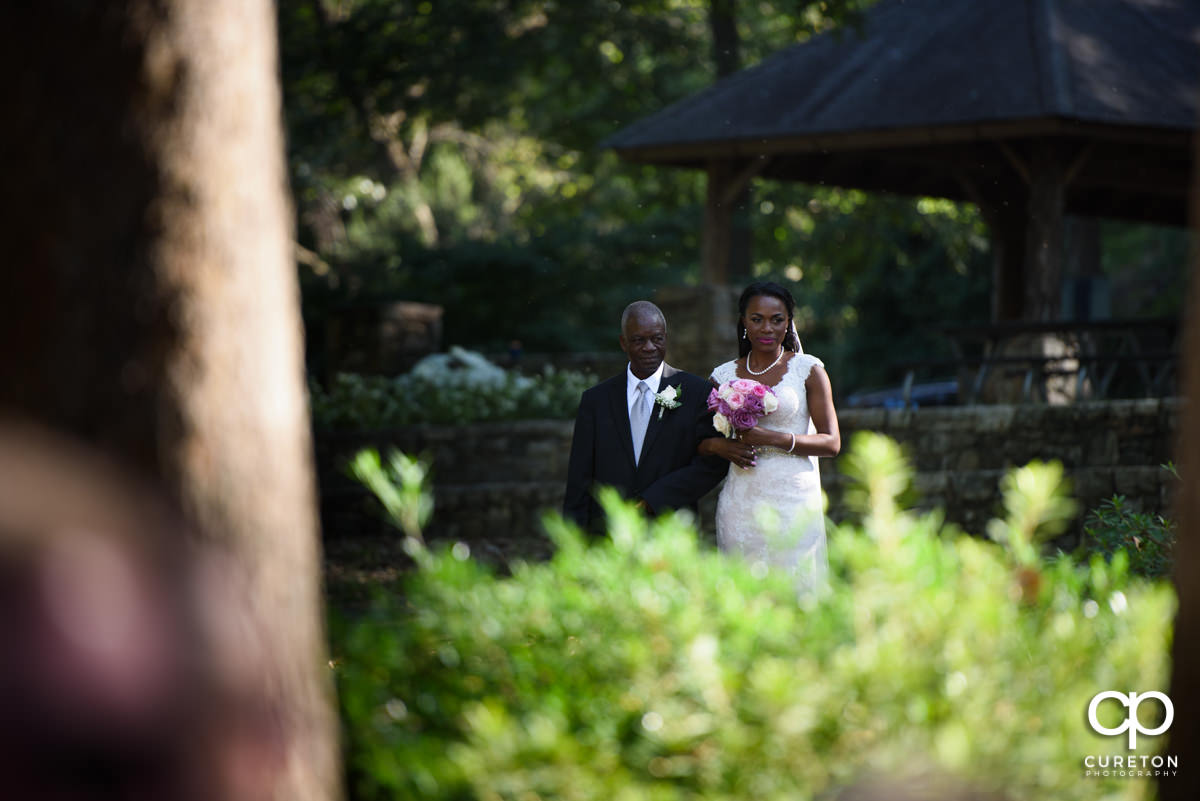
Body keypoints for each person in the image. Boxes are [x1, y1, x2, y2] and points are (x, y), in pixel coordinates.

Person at [699, 281, 841, 595]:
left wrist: (773, 438)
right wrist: (718, 446)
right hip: (740, 504)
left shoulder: (808, 370)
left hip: (794, 503)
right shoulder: (722, 376)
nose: (767, 328)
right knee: (743, 599)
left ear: (789, 323)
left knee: (798, 597)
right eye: (757, 319)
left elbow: (831, 442)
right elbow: (695, 440)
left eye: (777, 319)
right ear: (743, 322)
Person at [564, 301, 728, 534]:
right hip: (607, 531)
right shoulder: (595, 400)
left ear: (666, 338)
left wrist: (655, 499)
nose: (649, 347)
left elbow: (713, 463)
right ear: (623, 342)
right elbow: (579, 477)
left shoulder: (697, 392)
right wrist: (572, 541)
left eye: (657, 339)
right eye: (639, 340)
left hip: (671, 527)